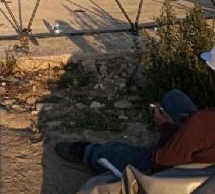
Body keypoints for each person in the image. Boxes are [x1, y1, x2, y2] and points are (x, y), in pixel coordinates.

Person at [55, 46, 215, 174]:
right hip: (205, 146)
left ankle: (86, 152)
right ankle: (182, 137)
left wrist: (165, 128)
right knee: (175, 98)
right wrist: (191, 126)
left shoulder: (201, 122)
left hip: (185, 170)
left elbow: (161, 164)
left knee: (113, 152)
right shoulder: (201, 121)